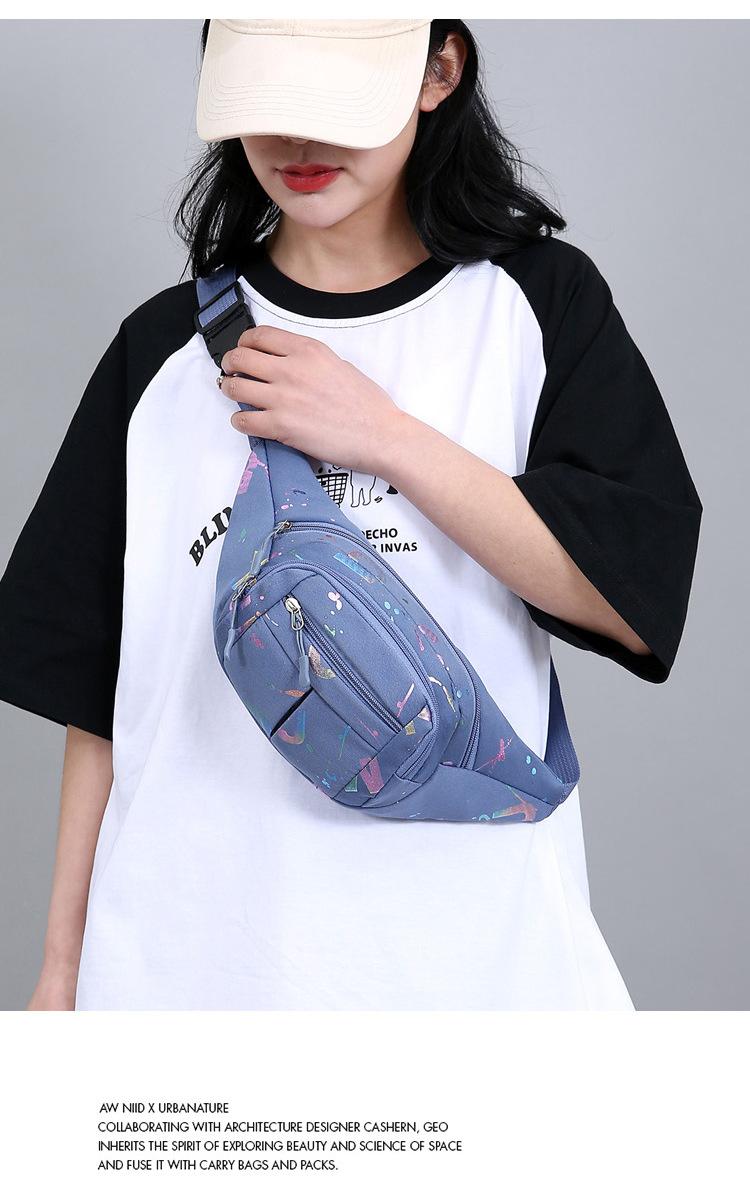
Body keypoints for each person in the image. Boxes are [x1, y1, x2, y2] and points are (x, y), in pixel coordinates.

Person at [0, 19, 702, 1011]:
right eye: (267, 98)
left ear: (438, 71)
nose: (298, 138)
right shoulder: (160, 352)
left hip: (474, 975)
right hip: (183, 975)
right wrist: (61, 972)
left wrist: (381, 433)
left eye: (334, 99)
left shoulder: (534, 308)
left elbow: (628, 598)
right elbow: (102, 692)